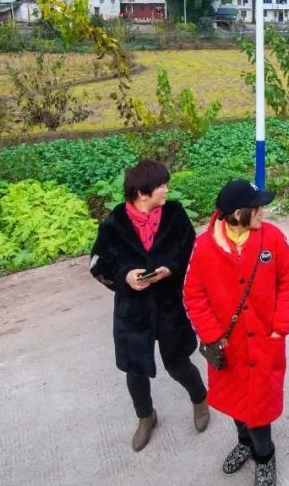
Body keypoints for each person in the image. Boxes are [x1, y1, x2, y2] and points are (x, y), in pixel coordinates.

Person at [182, 180, 289, 486]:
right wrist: (211, 335)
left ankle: (265, 456)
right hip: (227, 345)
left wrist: (280, 327)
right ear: (238, 213)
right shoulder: (205, 247)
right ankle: (245, 443)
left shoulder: (272, 238)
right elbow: (193, 295)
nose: (263, 211)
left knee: (259, 408)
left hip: (264, 342)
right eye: (257, 207)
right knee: (237, 402)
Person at [89, 160, 209, 452]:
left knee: (178, 363)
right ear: (142, 193)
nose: (167, 190)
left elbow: (191, 252)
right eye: (161, 185)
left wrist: (170, 269)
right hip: (133, 311)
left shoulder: (175, 215)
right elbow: (98, 264)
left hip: (169, 306)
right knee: (136, 370)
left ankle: (200, 399)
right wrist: (124, 277)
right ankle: (146, 417)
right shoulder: (114, 224)